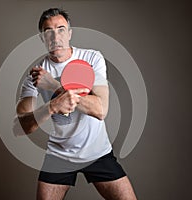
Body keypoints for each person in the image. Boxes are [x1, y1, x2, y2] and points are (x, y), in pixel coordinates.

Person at [17, 8, 137, 200]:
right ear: (42, 38)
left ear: (70, 33)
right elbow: (21, 125)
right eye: (48, 31)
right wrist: (52, 106)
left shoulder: (91, 59)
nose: (55, 36)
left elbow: (100, 110)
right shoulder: (36, 76)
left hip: (97, 152)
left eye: (61, 29)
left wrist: (54, 86)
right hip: (59, 156)